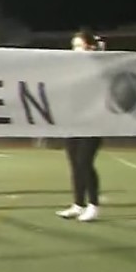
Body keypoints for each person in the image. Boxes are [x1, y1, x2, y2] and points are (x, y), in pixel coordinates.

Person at [57, 29, 105, 222]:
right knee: (75, 164)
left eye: (79, 45)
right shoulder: (71, 68)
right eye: (74, 46)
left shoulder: (100, 66)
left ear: (90, 46)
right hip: (72, 121)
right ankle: (78, 204)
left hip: (93, 122)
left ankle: (93, 205)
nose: (75, 49)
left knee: (85, 162)